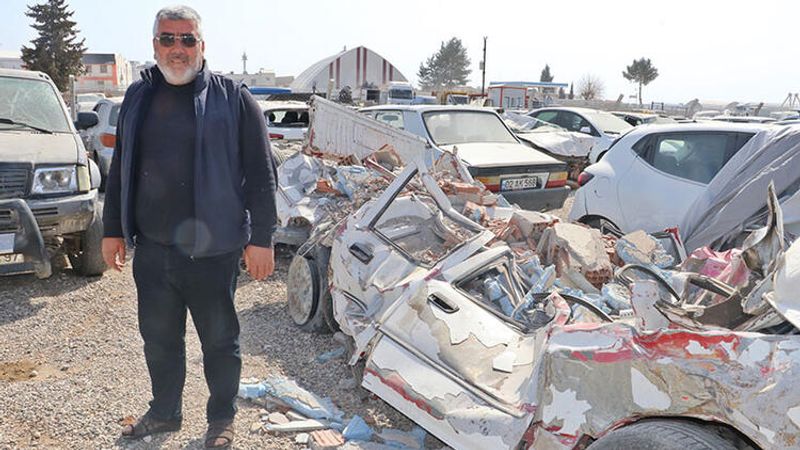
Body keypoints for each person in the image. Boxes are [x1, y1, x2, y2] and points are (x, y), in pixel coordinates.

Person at [102, 5, 277, 448]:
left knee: (220, 343)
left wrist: (262, 239)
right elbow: (122, 166)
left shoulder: (233, 99)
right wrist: (112, 229)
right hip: (155, 251)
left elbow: (261, 174)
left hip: (214, 253)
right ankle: (164, 413)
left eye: (187, 39)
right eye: (168, 38)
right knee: (160, 342)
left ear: (202, 45)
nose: (177, 49)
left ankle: (221, 419)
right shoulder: (138, 99)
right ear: (154, 43)